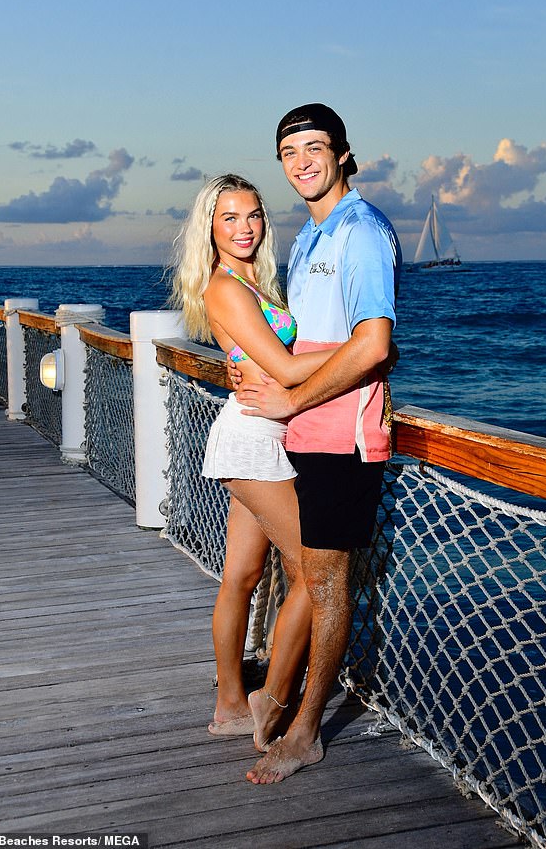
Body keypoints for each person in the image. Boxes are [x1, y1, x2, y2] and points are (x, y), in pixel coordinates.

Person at [235, 104, 402, 783]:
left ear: (341, 152)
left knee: (329, 582)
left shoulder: (360, 231)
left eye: (314, 146)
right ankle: (278, 698)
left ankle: (305, 731)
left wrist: (292, 396)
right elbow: (305, 338)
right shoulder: (309, 238)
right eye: (288, 151)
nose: (301, 160)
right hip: (303, 431)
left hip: (344, 435)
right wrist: (254, 363)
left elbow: (374, 343)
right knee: (315, 575)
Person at [171, 173, 338, 747]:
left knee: (241, 577)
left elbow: (270, 361)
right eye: (229, 218)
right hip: (252, 440)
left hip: (263, 433)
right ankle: (276, 697)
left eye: (253, 216)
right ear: (210, 229)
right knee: (314, 571)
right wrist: (368, 345)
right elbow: (290, 371)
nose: (244, 228)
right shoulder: (227, 289)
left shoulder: (257, 282)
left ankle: (229, 705)